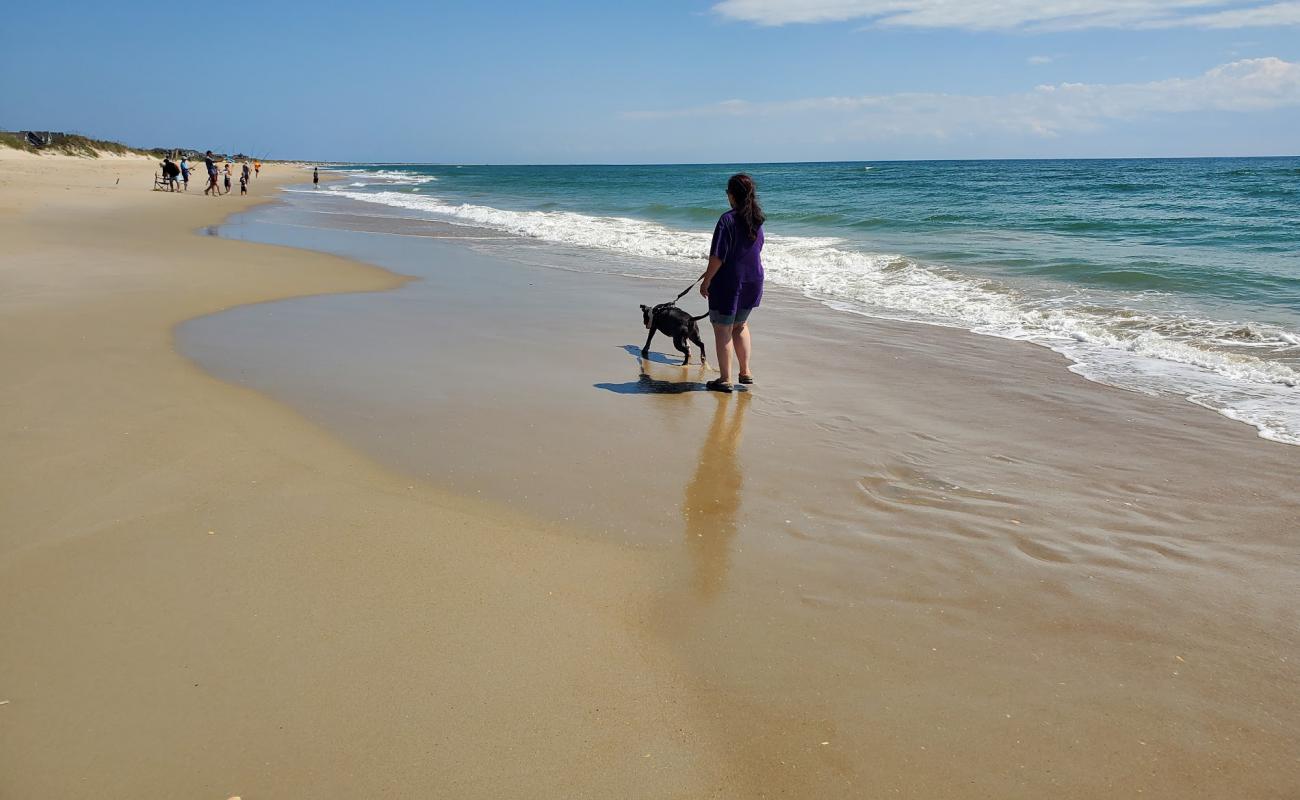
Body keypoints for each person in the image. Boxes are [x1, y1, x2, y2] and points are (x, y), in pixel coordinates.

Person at [700, 173, 765, 394]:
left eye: (727, 192)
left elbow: (718, 256)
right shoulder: (756, 220)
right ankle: (745, 372)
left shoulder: (726, 220)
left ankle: (725, 379)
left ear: (732, 195)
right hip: (753, 280)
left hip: (730, 282)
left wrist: (707, 279)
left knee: (723, 329)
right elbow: (753, 250)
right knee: (741, 325)